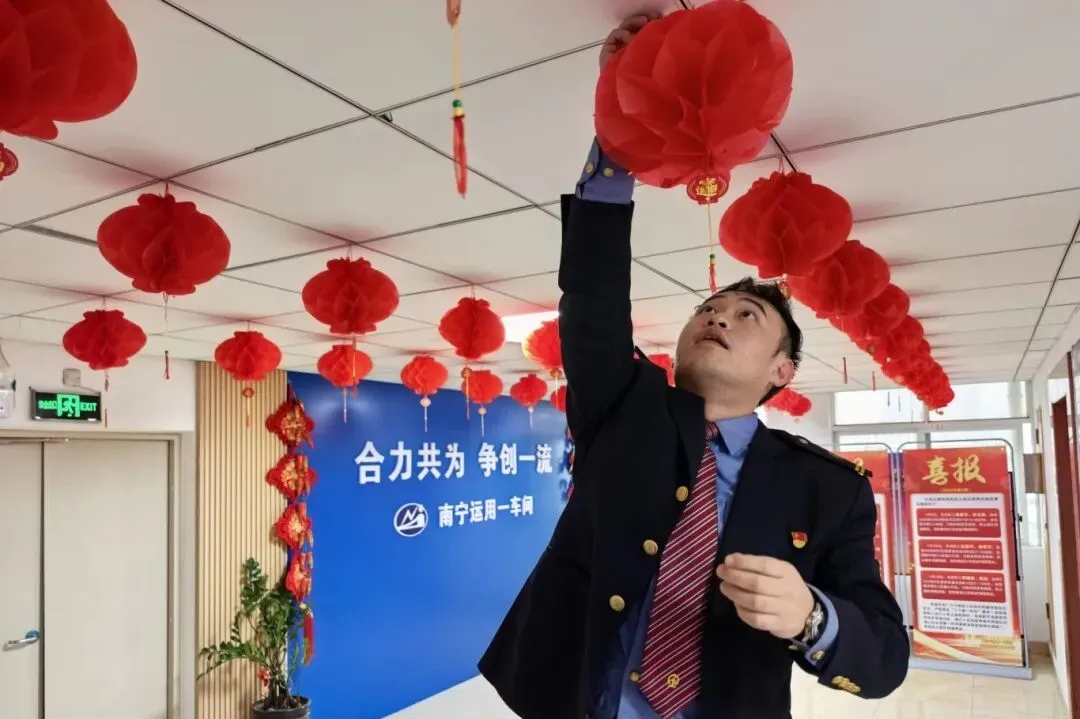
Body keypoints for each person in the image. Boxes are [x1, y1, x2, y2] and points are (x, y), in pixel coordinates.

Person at [478, 15, 909, 719]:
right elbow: (593, 302)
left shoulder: (828, 491)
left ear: (782, 372)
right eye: (709, 308)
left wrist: (810, 616)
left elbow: (886, 658)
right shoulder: (623, 408)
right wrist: (624, 130)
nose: (719, 317)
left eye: (747, 316)